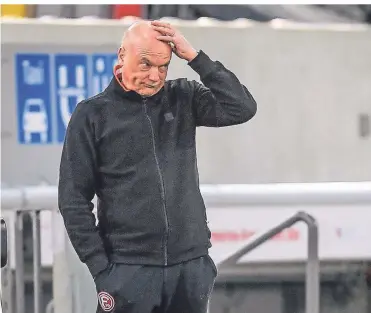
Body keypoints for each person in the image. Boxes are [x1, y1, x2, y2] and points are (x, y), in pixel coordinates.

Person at [58, 20, 257, 313]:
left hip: (190, 268)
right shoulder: (92, 114)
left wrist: (194, 57)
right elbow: (73, 199)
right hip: (128, 270)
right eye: (146, 64)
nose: (154, 76)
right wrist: (101, 269)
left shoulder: (184, 96)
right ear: (122, 55)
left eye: (163, 67)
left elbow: (241, 107)